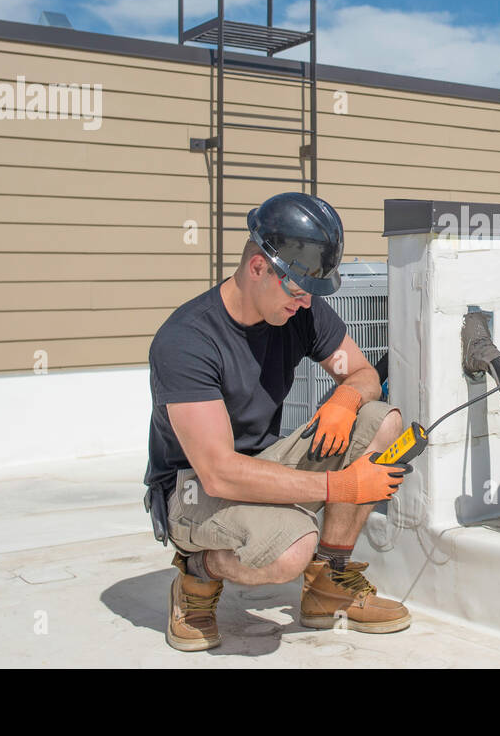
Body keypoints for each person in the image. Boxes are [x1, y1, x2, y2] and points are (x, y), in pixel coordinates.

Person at [143, 192, 411, 651]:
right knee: (290, 549)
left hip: (263, 461)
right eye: (297, 290)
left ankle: (328, 584)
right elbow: (220, 472)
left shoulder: (300, 311)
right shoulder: (186, 341)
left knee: (380, 420)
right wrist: (339, 488)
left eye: (312, 293)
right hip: (191, 489)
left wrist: (346, 397)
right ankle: (196, 576)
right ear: (257, 268)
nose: (305, 304)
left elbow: (364, 373)